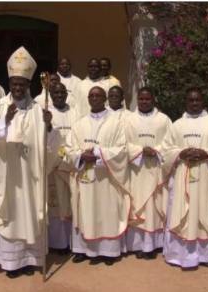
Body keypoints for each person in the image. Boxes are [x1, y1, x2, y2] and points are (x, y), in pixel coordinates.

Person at [0, 46, 59, 278]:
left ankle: (31, 259)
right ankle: (11, 263)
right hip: (7, 174)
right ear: (10, 85)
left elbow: (50, 144)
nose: (18, 88)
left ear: (28, 85)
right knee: (10, 214)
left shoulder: (38, 109)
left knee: (30, 213)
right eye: (14, 85)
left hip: (30, 174)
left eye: (22, 84)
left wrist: (49, 126)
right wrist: (5, 120)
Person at [162, 87, 208, 268]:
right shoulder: (176, 125)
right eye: (191, 100)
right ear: (186, 102)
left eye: (197, 100)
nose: (194, 103)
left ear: (203, 102)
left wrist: (207, 154)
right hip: (183, 177)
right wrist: (181, 153)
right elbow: (166, 151)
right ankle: (180, 256)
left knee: (207, 211)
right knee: (183, 214)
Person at [66, 86, 130, 265]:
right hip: (85, 177)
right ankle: (82, 249)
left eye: (98, 95)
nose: (94, 98)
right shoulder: (79, 124)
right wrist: (80, 156)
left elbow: (122, 150)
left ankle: (108, 251)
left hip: (106, 179)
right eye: (91, 96)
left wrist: (98, 154)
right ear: (88, 99)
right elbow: (69, 149)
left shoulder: (116, 123)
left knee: (106, 212)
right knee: (84, 210)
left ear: (105, 99)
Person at [124, 87, 172, 259]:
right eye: (141, 99)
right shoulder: (128, 120)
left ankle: (155, 244)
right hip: (136, 171)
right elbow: (122, 143)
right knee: (138, 205)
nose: (144, 102)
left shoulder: (164, 120)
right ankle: (138, 245)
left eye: (147, 99)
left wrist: (157, 150)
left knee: (155, 206)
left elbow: (170, 143)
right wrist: (140, 151)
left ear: (153, 100)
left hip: (157, 170)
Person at [46, 82, 78, 253]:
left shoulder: (75, 112)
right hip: (52, 166)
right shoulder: (45, 113)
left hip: (70, 165)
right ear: (50, 94)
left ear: (67, 94)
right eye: (55, 93)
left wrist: (68, 155)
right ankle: (57, 243)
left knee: (71, 203)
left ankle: (72, 242)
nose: (59, 95)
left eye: (62, 92)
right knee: (54, 205)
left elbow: (79, 135)